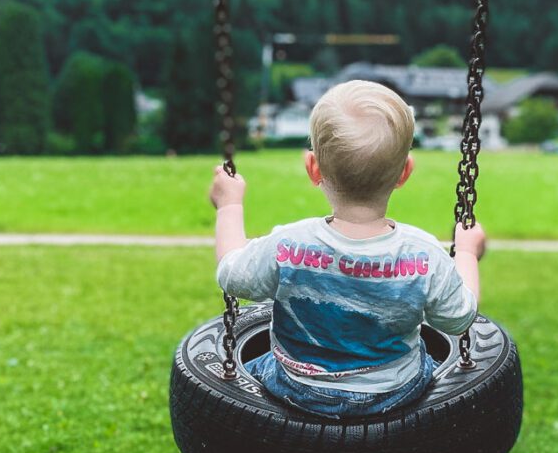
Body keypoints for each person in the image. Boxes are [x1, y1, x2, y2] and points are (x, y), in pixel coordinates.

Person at [209, 79, 487, 417]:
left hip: (295, 387)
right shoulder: (424, 254)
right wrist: (467, 253)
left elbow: (231, 274)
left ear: (313, 168)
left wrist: (229, 206)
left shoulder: (287, 245)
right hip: (397, 393)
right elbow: (459, 319)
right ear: (405, 173)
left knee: (243, 377)